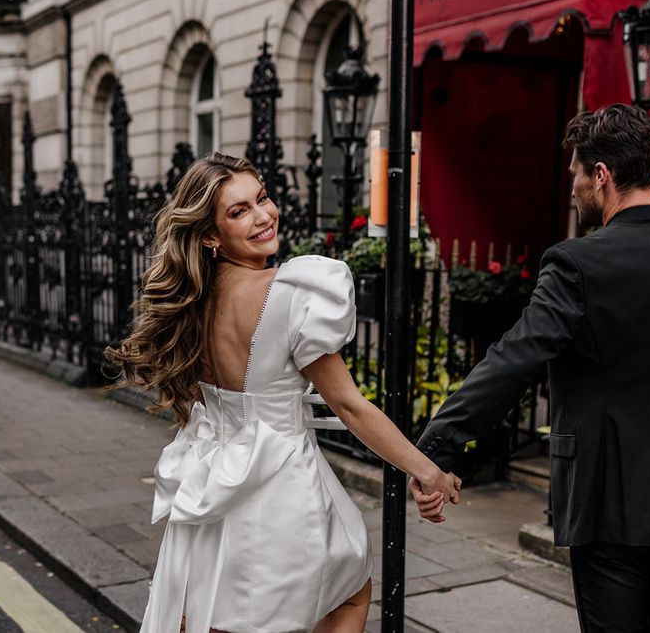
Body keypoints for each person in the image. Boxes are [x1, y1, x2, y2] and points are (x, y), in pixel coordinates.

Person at [105, 152, 461, 633]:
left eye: (262, 197)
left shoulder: (191, 303)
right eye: (239, 211)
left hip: (211, 492)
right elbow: (349, 406)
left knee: (217, 617)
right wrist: (428, 472)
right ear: (210, 235)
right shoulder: (291, 293)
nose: (263, 215)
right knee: (350, 588)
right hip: (283, 488)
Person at [411, 103, 650, 632]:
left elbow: (515, 358)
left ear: (602, 176)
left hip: (610, 501)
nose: (574, 187)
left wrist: (434, 449)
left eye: (577, 173)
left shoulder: (578, 262)